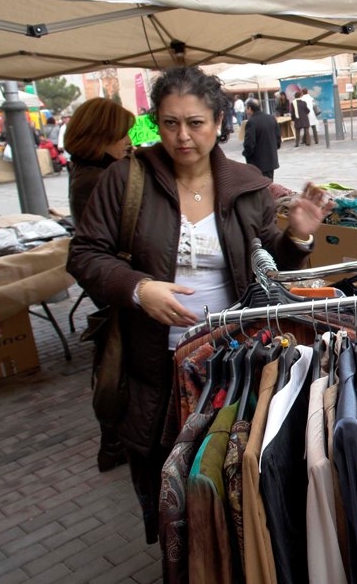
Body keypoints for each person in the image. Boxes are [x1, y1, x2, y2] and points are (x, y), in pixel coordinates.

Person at [67, 66, 324, 545]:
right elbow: (84, 255)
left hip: (232, 360)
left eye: (195, 123)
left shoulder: (248, 184)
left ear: (219, 120)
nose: (182, 136)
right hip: (154, 362)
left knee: (228, 474)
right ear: (156, 122)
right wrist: (140, 289)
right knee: (168, 478)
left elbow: (269, 265)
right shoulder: (126, 179)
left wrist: (296, 235)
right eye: (169, 123)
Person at [63, 98, 136, 472]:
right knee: (118, 366)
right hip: (120, 287)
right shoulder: (96, 178)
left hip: (116, 285)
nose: (127, 138)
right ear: (101, 135)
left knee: (117, 364)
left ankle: (114, 443)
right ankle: (114, 444)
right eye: (121, 132)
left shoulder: (92, 170)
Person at [242, 97, 280, 180]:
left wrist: (247, 154)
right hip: (271, 158)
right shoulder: (271, 118)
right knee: (270, 184)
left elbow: (249, 143)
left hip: (257, 161)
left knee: (260, 185)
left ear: (250, 108)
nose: (246, 110)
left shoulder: (252, 122)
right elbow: (278, 137)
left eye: (246, 108)